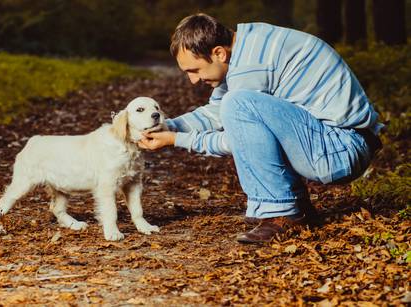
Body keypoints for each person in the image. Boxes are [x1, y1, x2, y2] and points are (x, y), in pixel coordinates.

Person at [138, 13, 383, 243]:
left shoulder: (250, 66)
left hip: (342, 149)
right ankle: (293, 206)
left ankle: (282, 212)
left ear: (219, 53)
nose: (193, 80)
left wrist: (176, 139)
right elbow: (217, 112)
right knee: (236, 103)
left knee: (238, 103)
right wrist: (164, 126)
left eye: (194, 70)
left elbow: (238, 139)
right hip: (337, 142)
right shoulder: (247, 47)